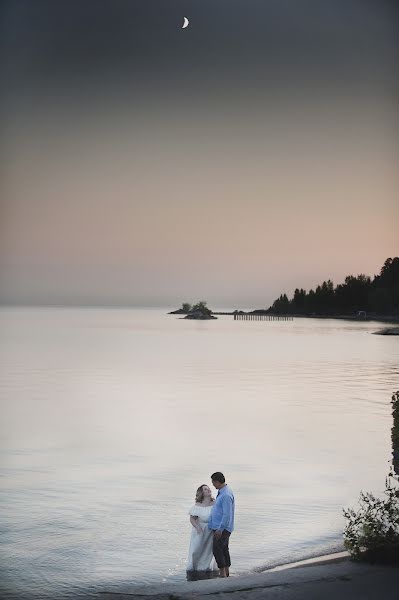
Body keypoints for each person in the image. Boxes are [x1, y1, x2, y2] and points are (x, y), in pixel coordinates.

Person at [186, 484, 216, 578]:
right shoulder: (197, 506)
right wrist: (198, 527)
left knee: (208, 551)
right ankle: (193, 569)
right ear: (201, 492)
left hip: (211, 530)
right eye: (205, 489)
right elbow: (192, 519)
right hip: (200, 530)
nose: (208, 490)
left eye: (208, 489)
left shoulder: (215, 503)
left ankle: (205, 569)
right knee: (196, 550)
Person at [208, 472, 235, 577]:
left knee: (217, 550)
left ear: (217, 482)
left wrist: (220, 529)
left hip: (222, 528)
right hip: (222, 527)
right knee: (224, 549)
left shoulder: (226, 495)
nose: (213, 485)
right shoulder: (222, 491)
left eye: (213, 483)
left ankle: (223, 573)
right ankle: (227, 572)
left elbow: (227, 515)